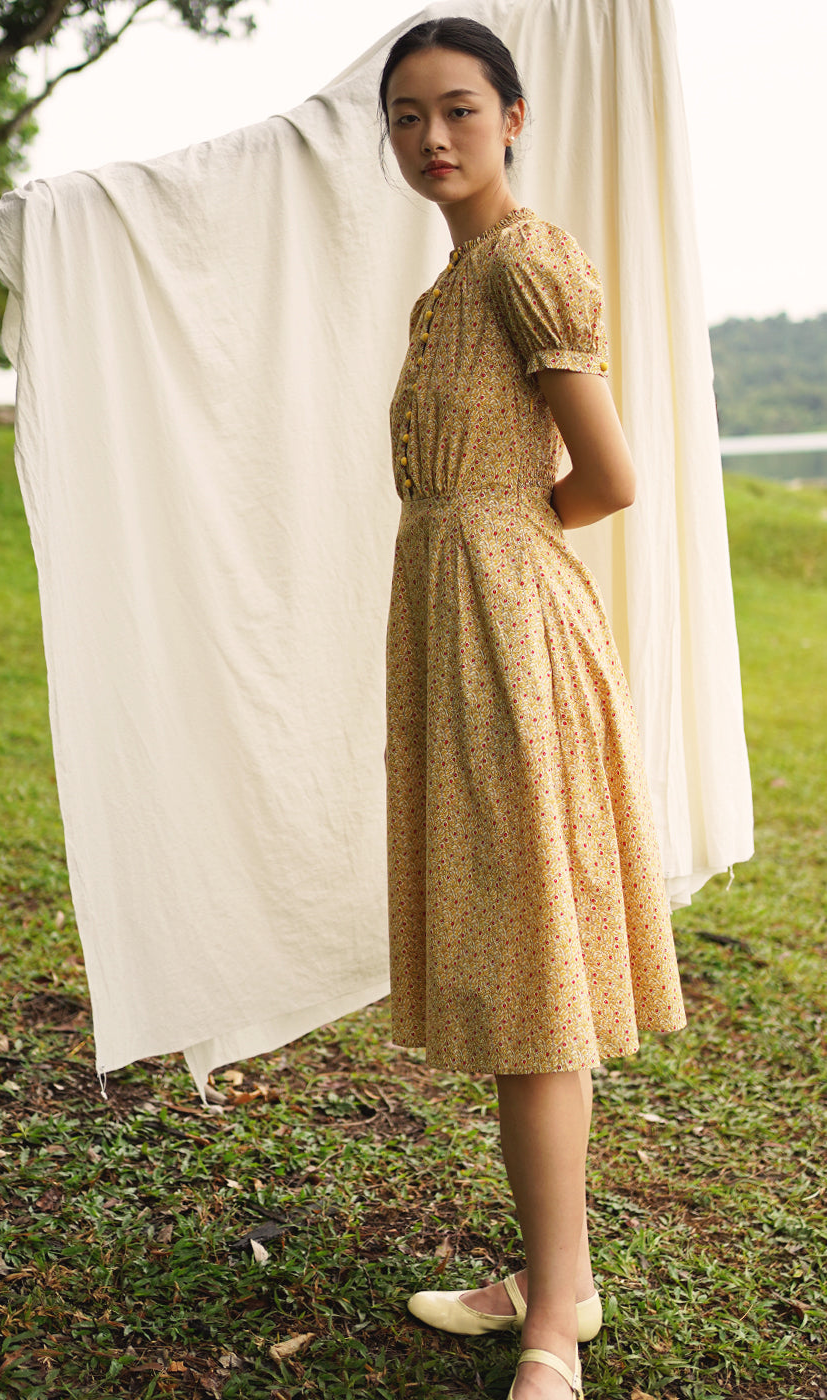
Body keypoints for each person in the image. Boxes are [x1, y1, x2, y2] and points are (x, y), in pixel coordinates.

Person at [378, 19, 687, 1400]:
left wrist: (503, 546)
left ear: (513, 115)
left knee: (530, 984)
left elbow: (609, 474)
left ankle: (555, 1318)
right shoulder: (449, 282)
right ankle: (549, 1273)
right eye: (404, 119)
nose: (430, 139)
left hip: (509, 635)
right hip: (455, 626)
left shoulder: (521, 262)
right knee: (512, 969)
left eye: (455, 110)